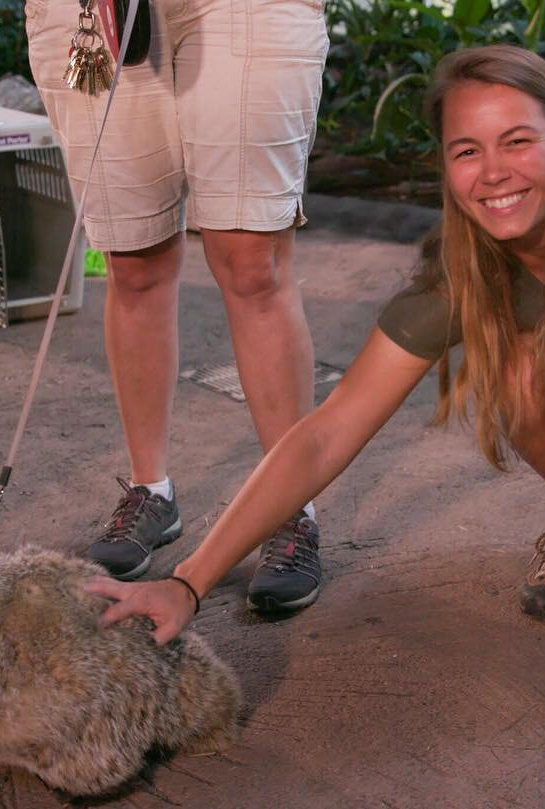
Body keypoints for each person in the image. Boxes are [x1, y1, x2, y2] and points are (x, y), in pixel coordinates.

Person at [85, 44, 545, 643]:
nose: (493, 173)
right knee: (516, 371)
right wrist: (189, 580)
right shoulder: (463, 271)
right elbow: (327, 433)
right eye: (467, 151)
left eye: (516, 141)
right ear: (446, 165)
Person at [24, 0, 329, 611]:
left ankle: (290, 510)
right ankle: (151, 491)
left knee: (252, 263)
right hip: (91, 12)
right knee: (132, 264)